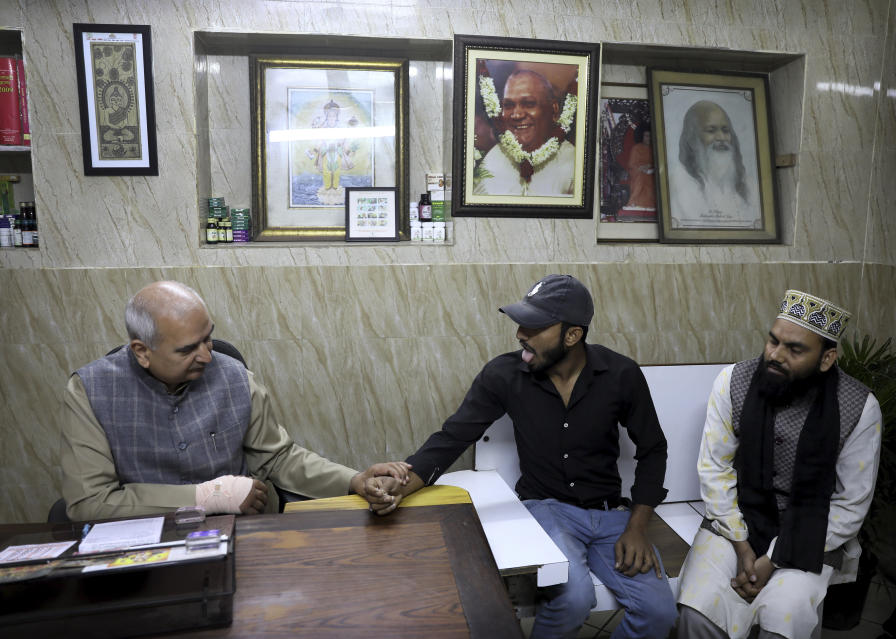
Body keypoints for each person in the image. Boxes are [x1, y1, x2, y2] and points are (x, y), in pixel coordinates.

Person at [378, 274, 678, 639]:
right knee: (573, 600)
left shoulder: (620, 374)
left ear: (572, 335)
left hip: (612, 514)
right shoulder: (504, 375)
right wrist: (401, 485)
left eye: (535, 326)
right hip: (546, 508)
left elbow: (653, 449)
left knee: (659, 613)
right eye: (522, 323)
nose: (521, 333)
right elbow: (452, 437)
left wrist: (636, 526)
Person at [60, 280, 408, 521]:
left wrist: (353, 480)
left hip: (239, 533)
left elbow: (279, 459)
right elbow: (90, 502)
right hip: (144, 544)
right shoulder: (90, 391)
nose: (207, 357)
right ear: (142, 352)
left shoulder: (235, 377)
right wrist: (207, 497)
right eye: (187, 349)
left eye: (207, 339)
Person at [676, 289, 882, 639]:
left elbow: (850, 504)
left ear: (827, 358)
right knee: (697, 614)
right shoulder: (733, 382)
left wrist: (772, 560)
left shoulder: (859, 407)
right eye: (773, 342)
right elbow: (715, 471)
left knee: (782, 623)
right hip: (735, 523)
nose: (775, 355)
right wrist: (742, 545)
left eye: (795, 349)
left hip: (812, 532)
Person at [474, 70, 575, 197]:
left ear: (554, 110)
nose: (517, 115)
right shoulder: (493, 160)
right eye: (509, 105)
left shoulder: (572, 162)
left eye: (529, 104)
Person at [669, 100, 760, 228]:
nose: (721, 137)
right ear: (692, 137)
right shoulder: (678, 183)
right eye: (711, 131)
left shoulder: (749, 185)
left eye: (725, 130)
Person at [624, 125, 656, 213]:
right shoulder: (636, 148)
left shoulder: (654, 148)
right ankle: (634, 202)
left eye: (650, 136)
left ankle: (650, 204)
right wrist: (641, 168)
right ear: (642, 137)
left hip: (651, 172)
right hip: (637, 173)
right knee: (641, 176)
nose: (648, 138)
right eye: (646, 136)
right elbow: (631, 165)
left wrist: (649, 166)